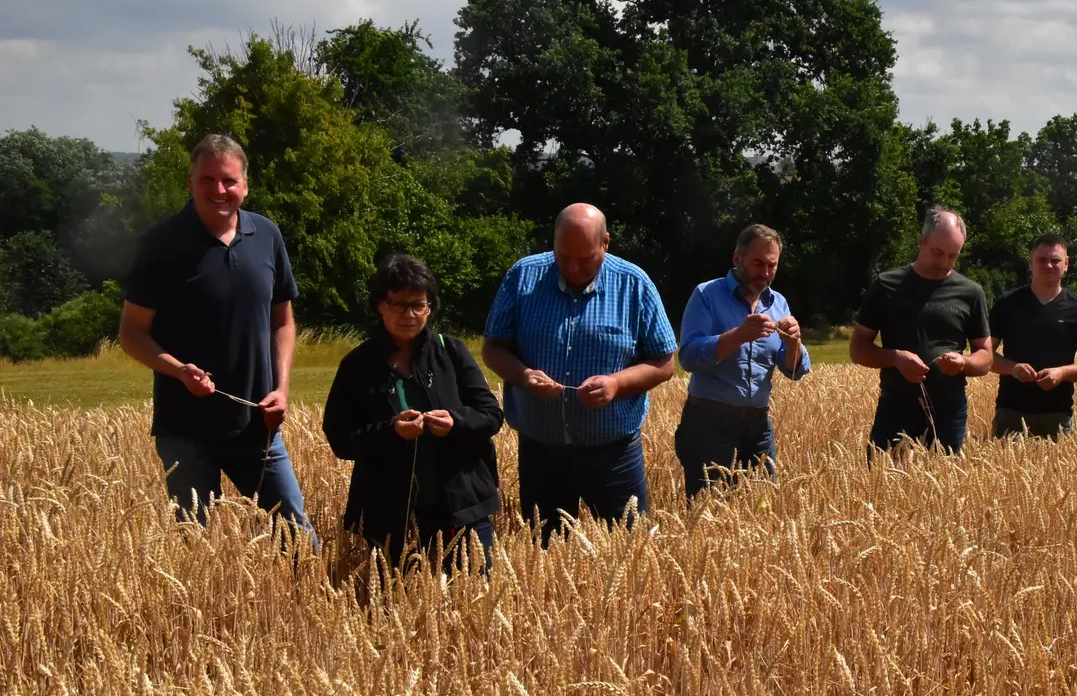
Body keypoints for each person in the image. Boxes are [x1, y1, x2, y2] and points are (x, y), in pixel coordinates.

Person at [118, 134, 315, 539]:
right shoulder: (160, 244)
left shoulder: (267, 235)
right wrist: (179, 370)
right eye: (207, 180)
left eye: (229, 180)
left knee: (300, 544)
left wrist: (281, 390)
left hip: (257, 426)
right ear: (190, 183)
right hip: (185, 431)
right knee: (198, 553)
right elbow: (132, 334)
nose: (219, 190)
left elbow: (282, 321)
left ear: (245, 185)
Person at [481, 203, 677, 541]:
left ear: (605, 243)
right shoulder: (523, 276)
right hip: (541, 452)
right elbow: (493, 349)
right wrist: (524, 375)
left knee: (628, 549)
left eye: (584, 258)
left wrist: (616, 384)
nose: (573, 267)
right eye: (563, 256)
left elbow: (665, 362)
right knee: (545, 550)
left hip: (614, 453)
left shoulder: (634, 284)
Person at [322, 254, 504, 574]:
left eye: (418, 305)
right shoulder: (358, 365)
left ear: (430, 307)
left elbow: (490, 414)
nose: (409, 314)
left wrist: (456, 421)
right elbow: (341, 438)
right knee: (401, 600)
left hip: (462, 506)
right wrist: (390, 431)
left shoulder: (451, 351)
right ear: (380, 306)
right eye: (398, 304)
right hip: (393, 514)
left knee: (477, 590)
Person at [675, 224, 811, 500]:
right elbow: (688, 356)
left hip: (759, 429)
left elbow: (794, 370)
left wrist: (794, 343)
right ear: (738, 258)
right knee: (710, 511)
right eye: (758, 264)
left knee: (762, 510)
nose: (765, 273)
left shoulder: (778, 303)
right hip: (709, 426)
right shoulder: (706, 295)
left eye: (772, 265)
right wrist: (738, 335)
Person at [850, 206, 993, 455]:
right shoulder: (886, 285)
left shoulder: (971, 292)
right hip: (896, 407)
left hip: (949, 411)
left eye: (953, 255)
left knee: (944, 479)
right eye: (938, 253)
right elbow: (858, 349)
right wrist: (896, 358)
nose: (944, 262)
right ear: (921, 241)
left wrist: (963, 362)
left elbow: (986, 357)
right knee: (884, 476)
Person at [989, 234, 1077, 439]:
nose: (1048, 266)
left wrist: (1062, 373)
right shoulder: (1007, 304)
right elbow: (984, 354)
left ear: (1066, 264)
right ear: (1031, 263)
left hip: (1058, 415)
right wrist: (1013, 368)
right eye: (1041, 260)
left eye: (1055, 260)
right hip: (1010, 413)